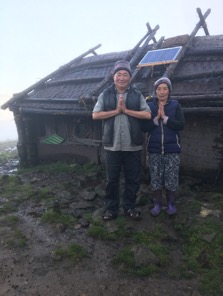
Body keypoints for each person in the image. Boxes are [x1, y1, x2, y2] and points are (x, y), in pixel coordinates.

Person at [92, 60, 151, 221]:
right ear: (114, 77)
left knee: (133, 179)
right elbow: (95, 115)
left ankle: (129, 207)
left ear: (130, 78)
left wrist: (126, 111)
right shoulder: (105, 94)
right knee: (112, 180)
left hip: (133, 146)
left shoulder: (136, 95)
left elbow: (147, 114)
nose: (122, 78)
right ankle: (111, 209)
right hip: (112, 146)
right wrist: (117, 111)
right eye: (119, 74)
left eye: (126, 75)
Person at [143, 77, 185, 216]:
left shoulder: (175, 105)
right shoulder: (149, 106)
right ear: (155, 91)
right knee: (156, 177)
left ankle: (171, 204)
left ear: (169, 91)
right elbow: (145, 127)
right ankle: (157, 204)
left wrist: (165, 118)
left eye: (164, 89)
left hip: (172, 149)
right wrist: (156, 119)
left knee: (171, 178)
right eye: (159, 89)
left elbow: (181, 125)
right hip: (154, 149)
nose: (161, 92)